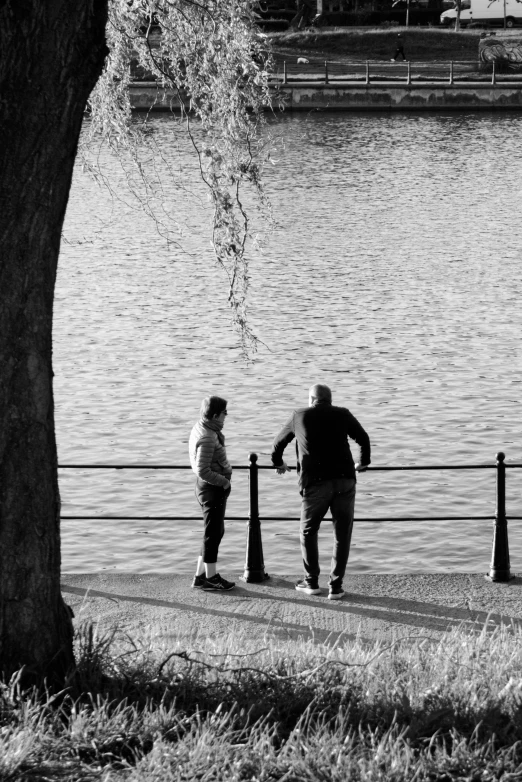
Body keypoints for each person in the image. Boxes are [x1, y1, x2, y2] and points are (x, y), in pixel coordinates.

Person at [271, 384, 371, 601]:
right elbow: (363, 438)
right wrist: (363, 463)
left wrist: (278, 463)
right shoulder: (343, 414)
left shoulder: (299, 415)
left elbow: (278, 444)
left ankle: (311, 582)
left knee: (308, 531)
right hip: (344, 481)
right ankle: (336, 587)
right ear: (330, 400)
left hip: (315, 483)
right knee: (342, 534)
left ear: (311, 399)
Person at [189, 396, 235, 591]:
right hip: (212, 489)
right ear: (215, 415)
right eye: (225, 412)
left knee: (213, 532)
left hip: (205, 488)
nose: (227, 416)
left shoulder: (202, 427)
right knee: (213, 534)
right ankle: (211, 578)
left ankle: (200, 577)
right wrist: (224, 482)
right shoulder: (208, 436)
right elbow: (202, 469)